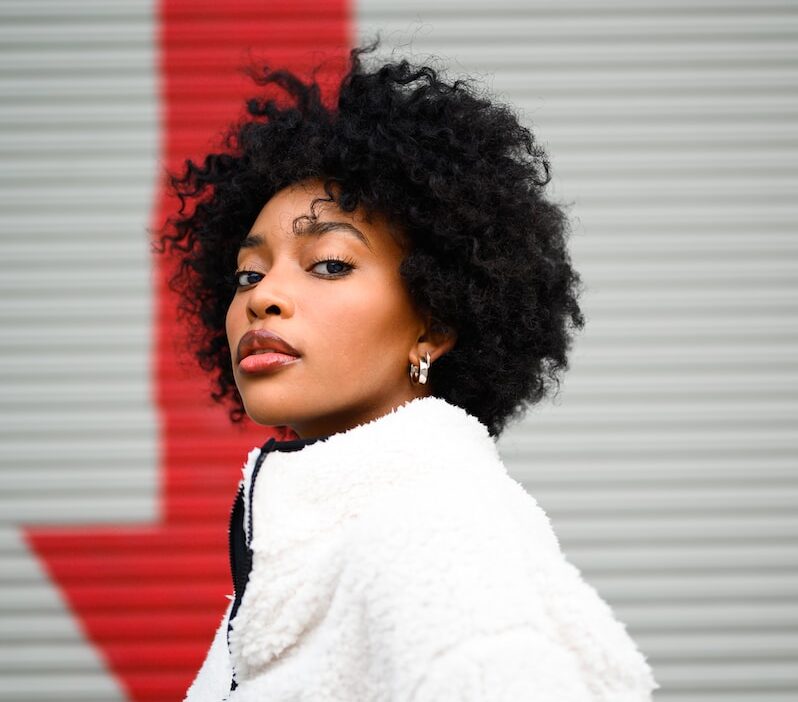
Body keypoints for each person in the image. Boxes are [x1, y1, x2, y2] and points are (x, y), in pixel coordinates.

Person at [156, 43, 659, 702]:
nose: (262, 296)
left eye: (329, 263)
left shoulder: (440, 536)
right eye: (248, 273)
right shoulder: (294, 564)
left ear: (435, 320)